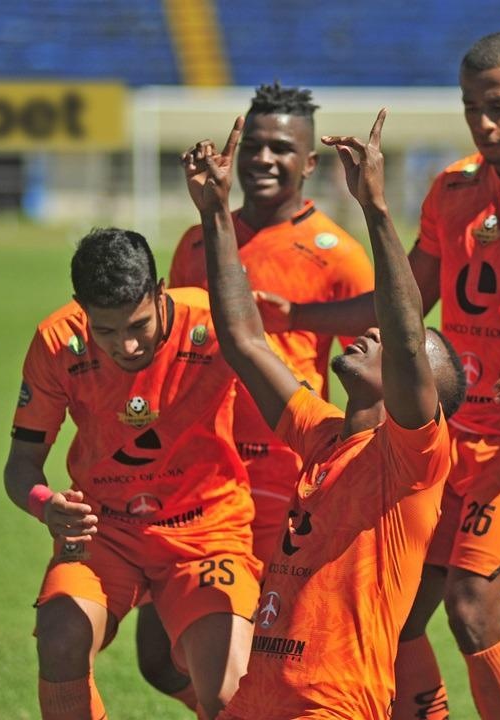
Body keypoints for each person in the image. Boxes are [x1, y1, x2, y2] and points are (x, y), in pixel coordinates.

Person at [257, 31, 500, 719]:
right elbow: (403, 307)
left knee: (473, 609)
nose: (484, 124)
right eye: (471, 108)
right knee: (399, 613)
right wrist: (297, 314)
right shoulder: (453, 188)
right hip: (448, 430)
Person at [182, 111, 466, 719]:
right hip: (257, 700)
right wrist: (214, 212)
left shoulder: (412, 462)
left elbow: (410, 338)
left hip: (329, 706)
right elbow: (244, 342)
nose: (371, 333)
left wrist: (376, 210)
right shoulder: (324, 437)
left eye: (387, 341)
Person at [138, 81, 374, 711]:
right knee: (160, 658)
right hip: (201, 475)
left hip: (284, 478)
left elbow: (376, 360)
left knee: (261, 656)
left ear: (310, 162)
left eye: (281, 149)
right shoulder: (198, 244)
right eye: (255, 148)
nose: (264, 160)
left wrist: (298, 318)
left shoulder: (338, 256)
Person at [3, 228, 263, 720]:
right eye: (105, 330)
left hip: (206, 529)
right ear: (81, 307)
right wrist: (45, 504)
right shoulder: (58, 340)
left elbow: (285, 400)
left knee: (228, 689)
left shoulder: (212, 321)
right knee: (60, 637)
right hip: (106, 530)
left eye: (138, 325)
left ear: (159, 289)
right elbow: (20, 464)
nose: (125, 344)